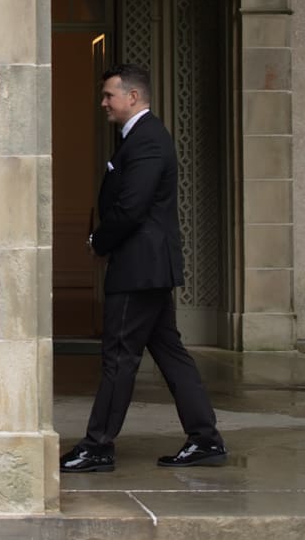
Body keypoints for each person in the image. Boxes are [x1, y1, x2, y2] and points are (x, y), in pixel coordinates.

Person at [60, 63, 227, 474]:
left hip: (139, 269)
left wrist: (98, 241)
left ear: (132, 97)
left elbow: (131, 207)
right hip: (149, 268)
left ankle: (99, 446)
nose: (103, 103)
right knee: (170, 354)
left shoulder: (148, 139)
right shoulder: (139, 138)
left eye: (109, 96)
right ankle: (205, 438)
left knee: (119, 357)